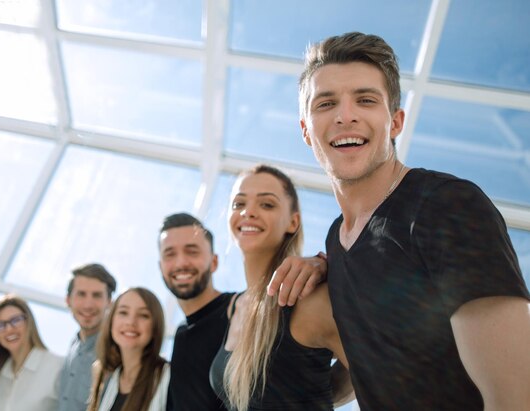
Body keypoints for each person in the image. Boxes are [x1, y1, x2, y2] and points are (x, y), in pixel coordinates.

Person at [298, 31, 530, 410]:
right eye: (325, 103)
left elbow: (515, 399)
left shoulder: (447, 206)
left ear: (395, 122)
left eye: (366, 99)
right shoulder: (335, 243)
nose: (345, 115)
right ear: (306, 130)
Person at [209, 164, 352, 411]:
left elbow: (387, 374)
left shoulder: (306, 298)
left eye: (266, 204)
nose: (248, 212)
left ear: (293, 222)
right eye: (238, 204)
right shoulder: (236, 307)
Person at [158, 213, 331, 411]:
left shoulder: (245, 310)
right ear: (160, 266)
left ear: (214, 262)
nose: (181, 263)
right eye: (170, 254)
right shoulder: (181, 333)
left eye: (192, 251)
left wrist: (323, 265)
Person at [87, 287, 169, 411]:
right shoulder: (113, 379)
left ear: (155, 327)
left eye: (143, 315)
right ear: (111, 322)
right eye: (123, 312)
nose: (131, 322)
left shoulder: (167, 376)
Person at [58, 263, 117, 411]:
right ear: (68, 300)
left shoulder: (117, 351)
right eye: (81, 294)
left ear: (109, 302)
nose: (88, 305)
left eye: (97, 295)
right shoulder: (74, 343)